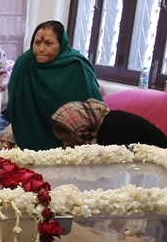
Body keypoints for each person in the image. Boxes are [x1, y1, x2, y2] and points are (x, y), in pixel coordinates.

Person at [8, 20, 103, 151]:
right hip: (31, 139)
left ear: (61, 44)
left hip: (72, 146)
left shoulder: (77, 66)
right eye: (37, 43)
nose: (41, 49)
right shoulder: (24, 64)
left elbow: (95, 109)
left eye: (48, 43)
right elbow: (16, 103)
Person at [51, 99, 167, 148]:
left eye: (67, 139)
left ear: (77, 128)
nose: (66, 145)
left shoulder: (111, 129)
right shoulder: (97, 125)